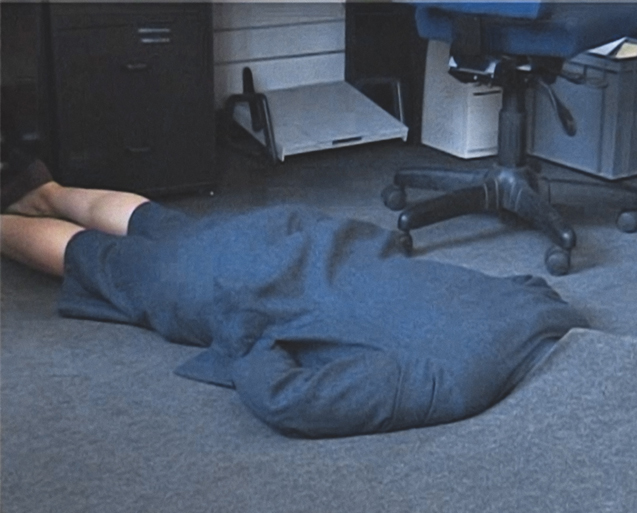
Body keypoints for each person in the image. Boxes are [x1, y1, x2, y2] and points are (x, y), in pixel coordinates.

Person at [1, 159, 588, 438]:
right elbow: (288, 401)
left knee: (160, 222)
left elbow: (525, 285)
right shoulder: (457, 381)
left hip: (311, 235)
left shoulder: (549, 313)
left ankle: (44, 189)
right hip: (247, 281)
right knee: (95, 258)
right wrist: (251, 334)